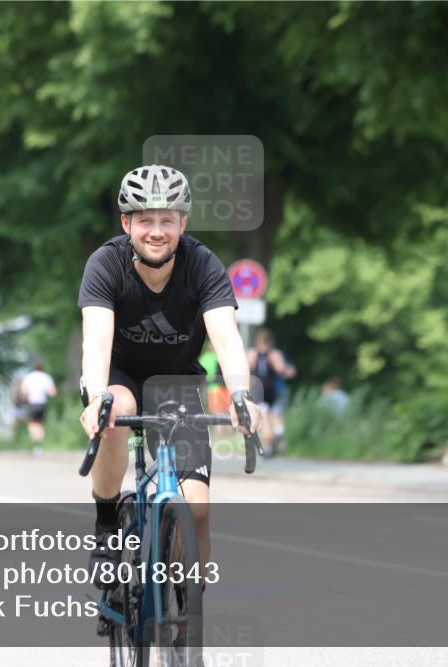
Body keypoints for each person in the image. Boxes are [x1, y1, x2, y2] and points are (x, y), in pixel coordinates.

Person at [78, 164, 262, 586]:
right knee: (114, 410)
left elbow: (226, 338)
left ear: (183, 222)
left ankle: (180, 625)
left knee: (197, 511)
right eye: (145, 219)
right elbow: (96, 342)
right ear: (127, 223)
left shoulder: (202, 264)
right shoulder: (105, 264)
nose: (156, 230)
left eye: (167, 219)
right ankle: (107, 526)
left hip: (178, 382)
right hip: (119, 377)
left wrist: (241, 394)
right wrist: (96, 399)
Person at [247, 328, 296, 457]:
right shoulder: (262, 354)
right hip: (266, 390)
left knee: (269, 414)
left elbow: (284, 370)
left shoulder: (268, 354)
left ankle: (273, 440)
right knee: (268, 414)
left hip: (268, 390)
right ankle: (274, 439)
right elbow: (283, 370)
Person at [20, 361, 57, 455]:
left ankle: (36, 443)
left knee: (32, 424)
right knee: (40, 424)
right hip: (42, 403)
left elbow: (24, 391)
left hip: (32, 403)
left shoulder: (29, 377)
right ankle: (39, 444)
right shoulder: (46, 377)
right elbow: (52, 392)